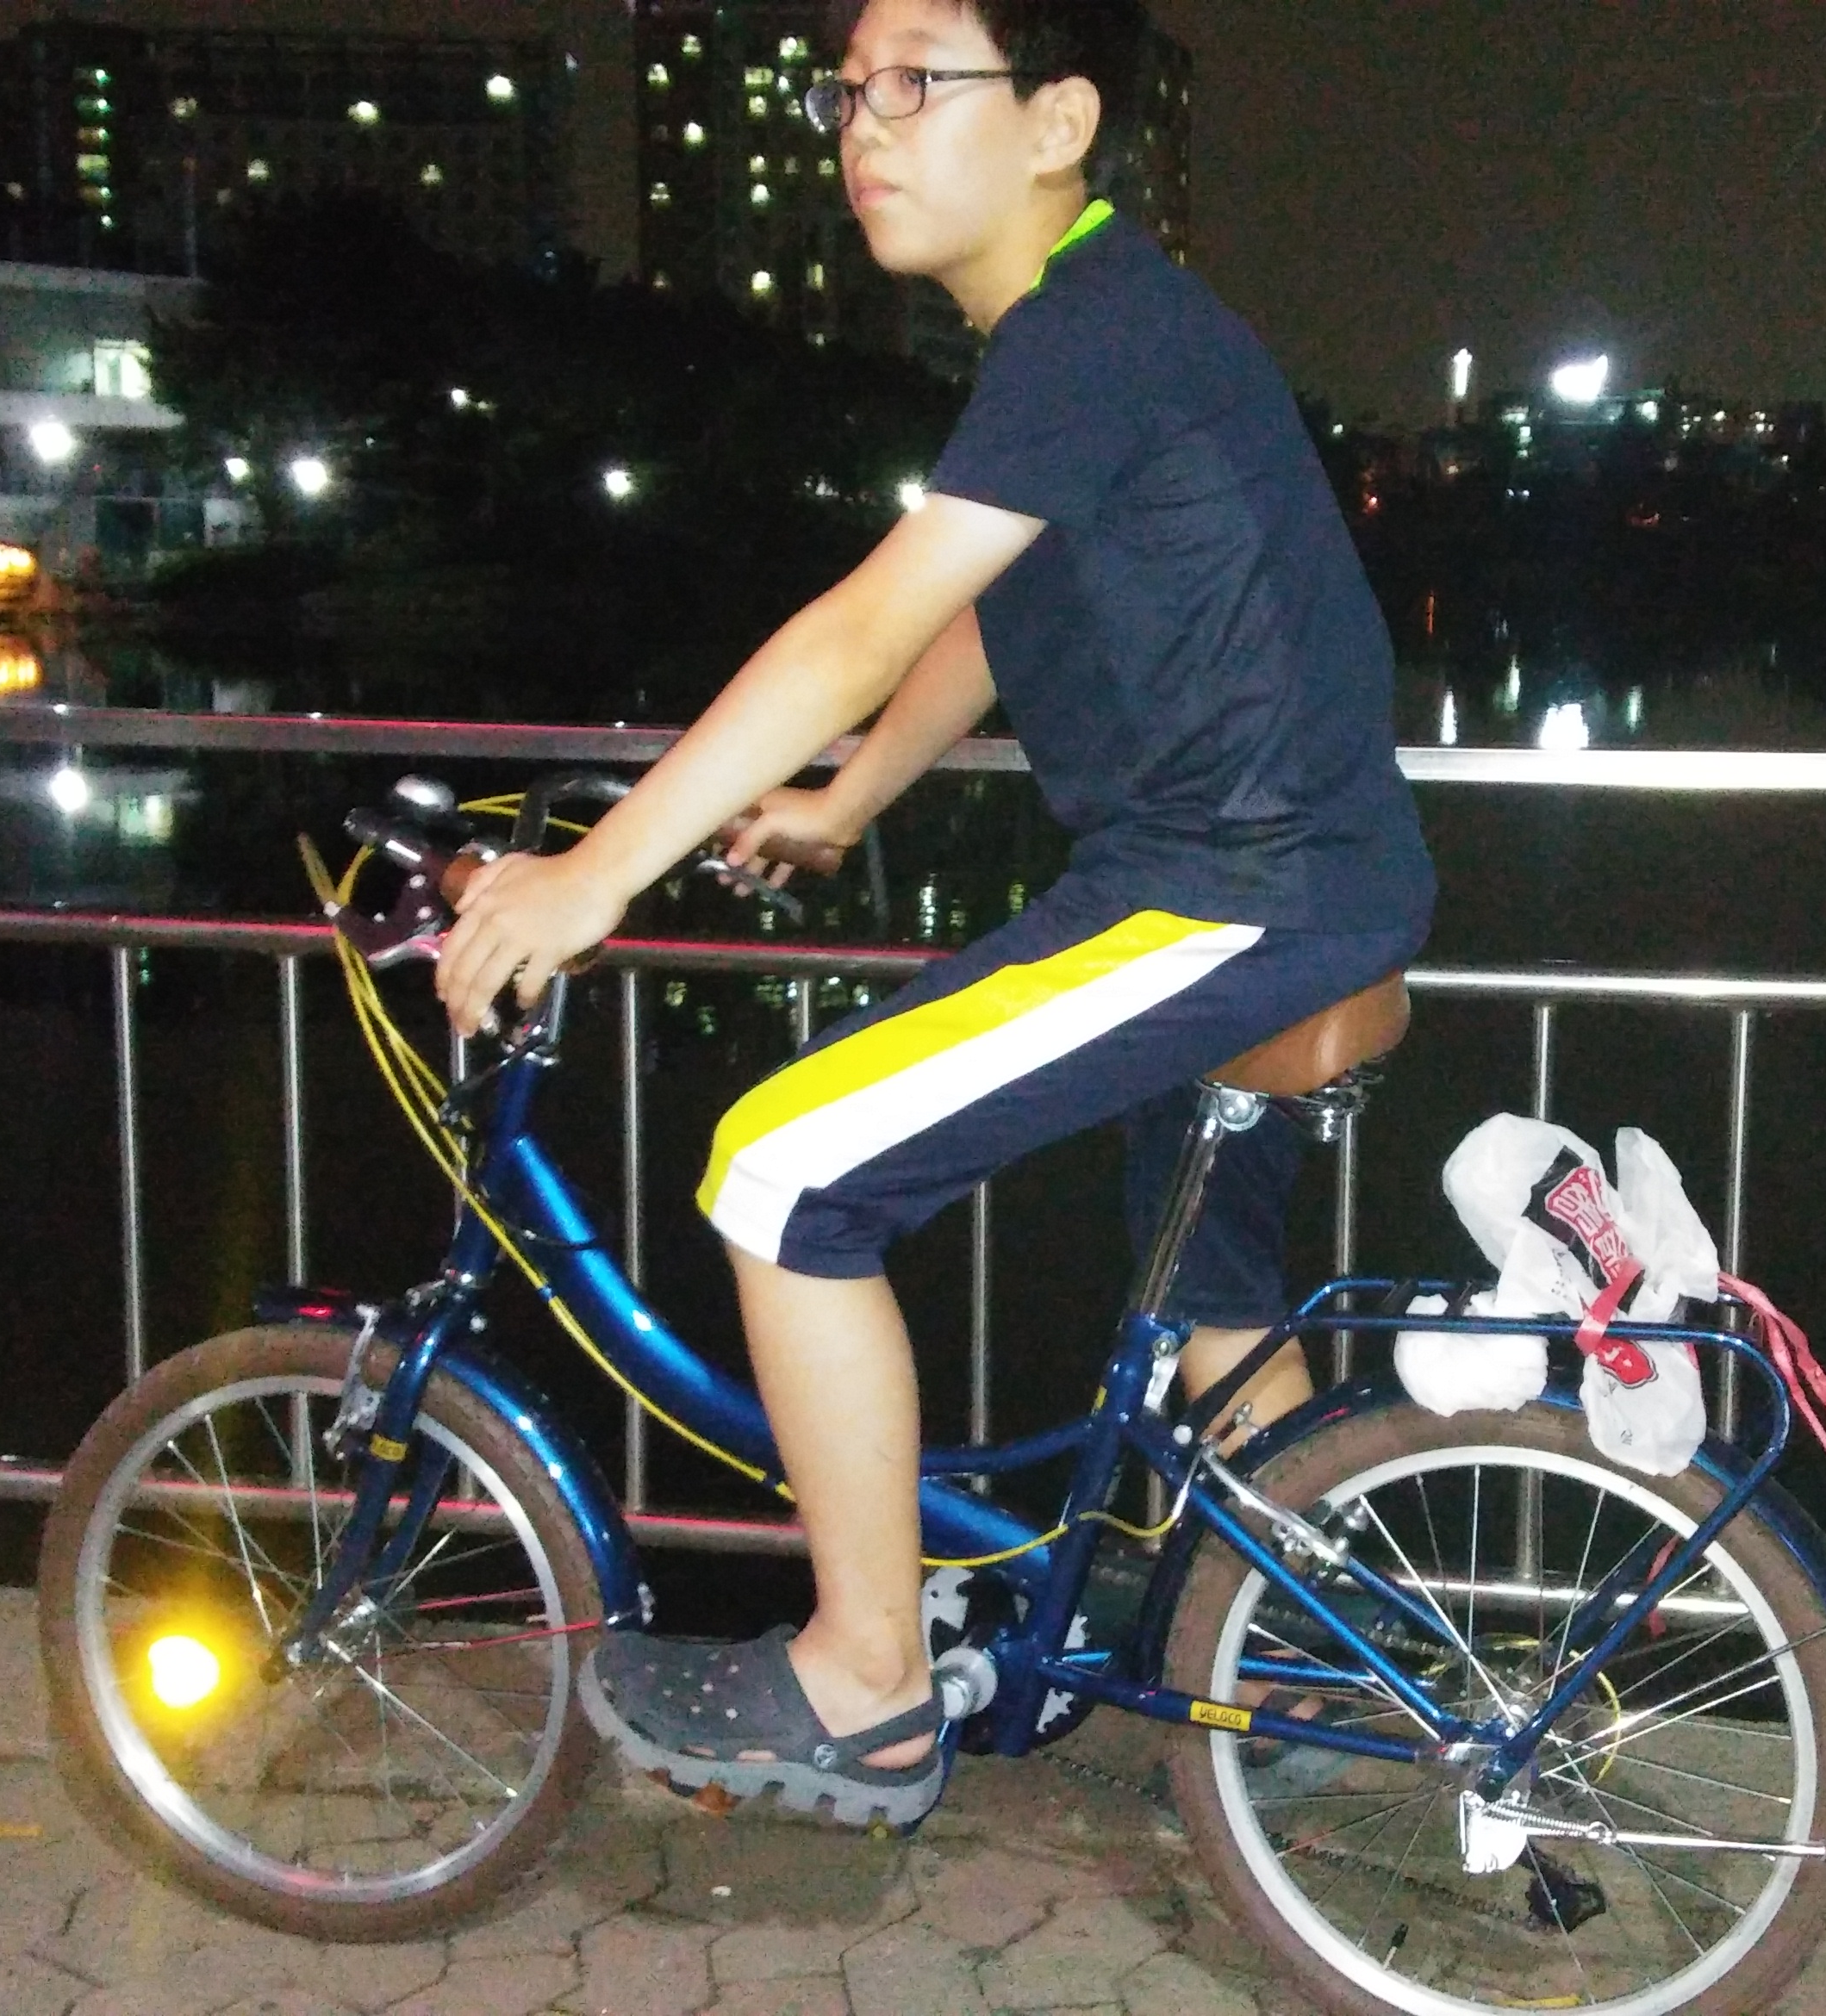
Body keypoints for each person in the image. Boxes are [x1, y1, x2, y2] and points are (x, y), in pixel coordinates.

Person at [433, 0, 1430, 1827]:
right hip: (1298, 880)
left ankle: (867, 1686)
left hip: (1230, 886)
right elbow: (985, 613)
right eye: (846, 92)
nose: (862, 127)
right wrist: (851, 802)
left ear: (1058, 120)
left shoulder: (1090, 326)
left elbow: (860, 628)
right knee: (1209, 1293)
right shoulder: (1093, 328)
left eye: (915, 83)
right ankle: (1302, 1654)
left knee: (780, 1174)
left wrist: (596, 874)